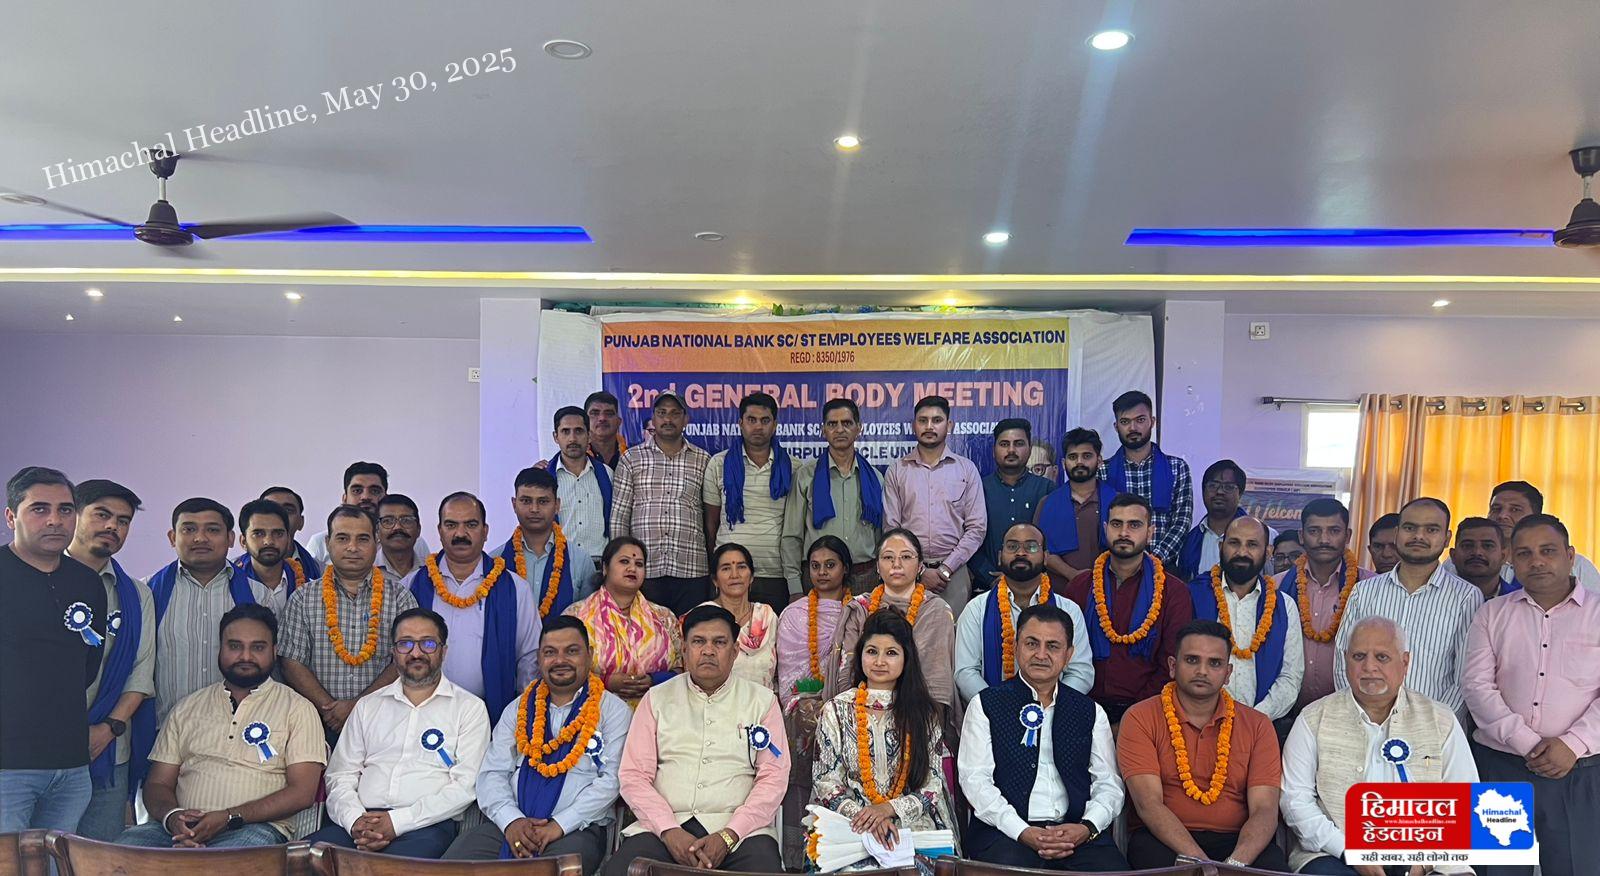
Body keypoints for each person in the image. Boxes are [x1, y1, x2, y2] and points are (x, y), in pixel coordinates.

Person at [116, 604, 324, 848]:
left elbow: (302, 793)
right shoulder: (188, 707)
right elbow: (158, 784)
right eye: (235, 646)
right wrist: (173, 818)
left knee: (227, 861)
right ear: (220, 648)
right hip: (179, 830)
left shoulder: (298, 709)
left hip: (252, 830)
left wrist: (229, 817)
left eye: (258, 647)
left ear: (274, 651)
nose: (245, 656)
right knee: (119, 852)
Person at [1282, 616, 1477, 875]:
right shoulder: (1314, 718)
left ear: (1405, 662)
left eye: (1382, 657)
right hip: (1334, 853)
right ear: (1345, 659)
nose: (1369, 667)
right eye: (1359, 656)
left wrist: (1421, 864)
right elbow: (1295, 800)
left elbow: (1466, 805)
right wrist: (1348, 850)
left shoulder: (1440, 720)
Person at [1465, 513, 1600, 876]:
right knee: (1499, 870)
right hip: (1502, 767)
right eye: (1524, 553)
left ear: (1570, 556)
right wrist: (1528, 743)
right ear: (1511, 560)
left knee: (1577, 868)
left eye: (1548, 551)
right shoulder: (1492, 613)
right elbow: (1477, 686)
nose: (1537, 561)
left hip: (1580, 771)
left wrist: (1572, 744)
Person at [609, 605, 788, 876]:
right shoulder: (656, 699)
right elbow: (634, 776)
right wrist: (669, 830)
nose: (708, 651)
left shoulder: (762, 701)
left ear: (735, 651)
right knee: (620, 870)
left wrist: (729, 834)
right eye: (698, 642)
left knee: (764, 869)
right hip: (664, 829)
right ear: (684, 649)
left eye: (719, 642)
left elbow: (773, 778)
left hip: (741, 833)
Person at [444, 615, 632, 871]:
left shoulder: (614, 711)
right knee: (452, 866)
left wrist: (559, 825)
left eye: (572, 651)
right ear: (539, 658)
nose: (560, 660)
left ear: (589, 655)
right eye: (550, 652)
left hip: (575, 829)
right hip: (508, 827)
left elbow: (611, 781)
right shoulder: (518, 708)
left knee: (554, 870)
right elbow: (492, 773)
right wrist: (511, 821)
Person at [306, 608, 490, 858]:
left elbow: (465, 786)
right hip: (358, 824)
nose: (416, 653)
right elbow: (340, 774)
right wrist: (355, 820)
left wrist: (397, 822)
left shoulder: (469, 708)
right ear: (393, 653)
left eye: (428, 643)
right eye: (405, 644)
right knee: (301, 859)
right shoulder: (368, 706)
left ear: (444, 651)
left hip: (425, 827)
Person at [958, 603, 1127, 871]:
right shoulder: (985, 705)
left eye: (1053, 646)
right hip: (1005, 833)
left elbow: (1108, 783)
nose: (1041, 654)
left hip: (1078, 836)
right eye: (1032, 643)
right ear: (1016, 647)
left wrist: (1087, 827)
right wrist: (1022, 831)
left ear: (1068, 655)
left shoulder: (1090, 711)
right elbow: (975, 781)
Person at [1116, 620, 1288, 870]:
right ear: (1173, 666)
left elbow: (1264, 809)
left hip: (1239, 842)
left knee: (1272, 868)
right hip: (1164, 839)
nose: (1202, 671)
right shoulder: (1140, 717)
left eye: (1215, 663)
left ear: (1228, 673)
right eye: (1192, 660)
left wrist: (1235, 865)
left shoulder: (1258, 725)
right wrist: (1202, 864)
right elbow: (1149, 804)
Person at [0, 467, 105, 833]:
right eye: (39, 509)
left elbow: (87, 666)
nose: (55, 520)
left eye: (65, 510)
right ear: (11, 516)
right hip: (7, 766)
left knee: (58, 860)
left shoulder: (87, 581)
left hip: (70, 765)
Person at [814, 610, 960, 862]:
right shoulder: (836, 710)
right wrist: (869, 818)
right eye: (872, 651)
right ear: (860, 655)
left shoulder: (924, 714)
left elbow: (933, 783)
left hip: (912, 824)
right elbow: (825, 781)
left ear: (906, 658)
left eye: (891, 653)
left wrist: (888, 809)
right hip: (852, 824)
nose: (880, 661)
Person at [279, 505, 418, 744]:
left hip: (383, 725)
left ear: (376, 542)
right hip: (316, 725)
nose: (352, 547)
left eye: (362, 539)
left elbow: (407, 659)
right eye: (342, 538)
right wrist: (330, 710)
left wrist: (357, 707)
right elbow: (291, 662)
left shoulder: (400, 597)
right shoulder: (303, 597)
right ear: (328, 543)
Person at [66, 479, 157, 840]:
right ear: (73, 515)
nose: (112, 526)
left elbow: (140, 674)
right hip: (36, 750)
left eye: (123, 521)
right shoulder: (40, 579)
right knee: (29, 853)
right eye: (101, 514)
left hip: (107, 749)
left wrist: (107, 730)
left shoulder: (136, 594)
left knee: (99, 854)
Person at [1335, 498, 1482, 721]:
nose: (1418, 536)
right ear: (1397, 534)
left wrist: (1435, 725)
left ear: (1446, 538)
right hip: (1365, 724)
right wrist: (1363, 717)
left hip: (1436, 729)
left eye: (1431, 529)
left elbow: (1465, 677)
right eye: (1410, 528)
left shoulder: (1466, 597)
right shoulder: (1364, 592)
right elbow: (1343, 659)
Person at [1062, 493, 1195, 723]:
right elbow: (1065, 653)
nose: (1124, 533)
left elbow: (1171, 663)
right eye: (1117, 524)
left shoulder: (1174, 592)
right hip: (1082, 709)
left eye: (1134, 525)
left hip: (1149, 713)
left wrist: (1134, 718)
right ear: (1106, 529)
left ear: (1150, 532)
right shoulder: (1080, 587)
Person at [410, 491, 542, 724]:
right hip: (422, 713)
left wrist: (521, 718)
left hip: (493, 716)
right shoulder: (412, 585)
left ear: (485, 531)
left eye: (470, 525)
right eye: (451, 525)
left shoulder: (515, 588)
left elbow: (529, 659)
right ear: (439, 531)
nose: (460, 534)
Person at [146, 498, 268, 720]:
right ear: (172, 537)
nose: (200, 538)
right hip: (163, 729)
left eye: (212, 530)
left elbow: (269, 667)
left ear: (230, 538)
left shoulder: (259, 596)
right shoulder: (147, 593)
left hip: (238, 728)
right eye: (189, 529)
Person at [774, 536, 856, 867]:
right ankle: (798, 855)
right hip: (803, 709)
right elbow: (788, 673)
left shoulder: (859, 611)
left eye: (830, 565)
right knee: (802, 720)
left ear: (845, 568)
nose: (822, 572)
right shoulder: (793, 614)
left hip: (846, 705)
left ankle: (843, 847)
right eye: (815, 566)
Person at [826, 529, 959, 719]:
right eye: (888, 557)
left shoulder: (936, 611)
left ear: (920, 566)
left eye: (906, 557)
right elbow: (847, 673)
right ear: (877, 567)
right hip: (860, 713)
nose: (896, 564)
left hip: (917, 714)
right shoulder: (860, 608)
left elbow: (937, 684)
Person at [956, 523, 1093, 702]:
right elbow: (966, 671)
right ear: (1000, 556)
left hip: (1056, 710)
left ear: (1045, 557)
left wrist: (1052, 706)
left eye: (1031, 547)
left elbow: (1081, 672)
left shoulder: (1069, 610)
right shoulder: (976, 609)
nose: (1021, 553)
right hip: (991, 712)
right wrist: (995, 707)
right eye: (1012, 546)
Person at [1187, 516, 1304, 721]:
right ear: (1221, 547)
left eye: (1252, 545)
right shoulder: (1192, 595)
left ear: (1268, 552)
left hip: (1261, 723)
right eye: (1234, 543)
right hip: (1198, 721)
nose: (1242, 552)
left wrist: (1253, 719)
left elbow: (1290, 676)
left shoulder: (1284, 607)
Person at [611, 390, 713, 616]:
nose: (668, 419)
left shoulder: (703, 460)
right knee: (645, 634)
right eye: (662, 413)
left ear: (686, 420)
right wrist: (619, 565)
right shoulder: (632, 459)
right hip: (644, 569)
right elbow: (619, 516)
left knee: (691, 632)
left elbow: (711, 517)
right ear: (653, 419)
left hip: (691, 568)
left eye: (675, 413)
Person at [883, 395, 986, 616]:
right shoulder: (897, 470)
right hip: (906, 571)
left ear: (949, 425)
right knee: (905, 633)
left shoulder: (966, 470)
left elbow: (977, 528)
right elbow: (891, 529)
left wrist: (946, 569)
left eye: (937, 420)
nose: (929, 426)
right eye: (923, 420)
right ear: (914, 425)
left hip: (954, 574)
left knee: (952, 633)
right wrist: (919, 571)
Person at [1275, 498, 1374, 712]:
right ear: (1302, 536)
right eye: (1314, 531)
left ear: (1347, 536)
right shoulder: (1277, 586)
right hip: (1284, 710)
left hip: (1350, 710)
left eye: (1334, 531)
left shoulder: (1369, 587)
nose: (1324, 540)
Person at [564, 536, 683, 707]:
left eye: (639, 564)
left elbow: (682, 670)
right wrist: (605, 681)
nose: (632, 568)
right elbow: (564, 667)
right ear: (605, 568)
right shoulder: (577, 615)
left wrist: (653, 680)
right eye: (624, 561)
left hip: (657, 710)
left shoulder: (664, 617)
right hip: (594, 711)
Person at [704, 392, 796, 613]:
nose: (758, 427)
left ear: (775, 425)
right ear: (740, 423)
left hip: (775, 572)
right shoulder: (719, 464)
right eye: (751, 420)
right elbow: (710, 524)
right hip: (730, 574)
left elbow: (795, 526)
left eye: (765, 420)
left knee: (770, 634)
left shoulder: (793, 468)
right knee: (725, 632)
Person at [781, 398, 884, 594]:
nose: (839, 430)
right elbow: (792, 537)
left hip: (865, 577)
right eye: (832, 424)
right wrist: (794, 587)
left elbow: (881, 536)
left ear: (858, 428)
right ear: (823, 430)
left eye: (847, 423)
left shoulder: (875, 479)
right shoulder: (806, 476)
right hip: (819, 577)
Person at [1443, 480, 1600, 593]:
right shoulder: (1463, 560)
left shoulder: (1575, 565)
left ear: (1535, 516)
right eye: (1496, 509)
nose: (1502, 516)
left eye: (1515, 510)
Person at [1099, 391, 1193, 568]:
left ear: (1153, 422)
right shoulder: (1103, 471)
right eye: (1125, 422)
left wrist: (1153, 561)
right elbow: (1103, 523)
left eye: (1140, 420)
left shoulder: (1176, 468)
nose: (1133, 428)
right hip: (1117, 566)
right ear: (1116, 427)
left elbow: (1182, 522)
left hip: (1164, 567)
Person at [970, 419, 1057, 594]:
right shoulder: (977, 488)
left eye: (1018, 444)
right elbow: (969, 539)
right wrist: (990, 576)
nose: (1011, 450)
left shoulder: (1047, 489)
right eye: (1004, 444)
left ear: (1029, 449)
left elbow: (1053, 541)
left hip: (1036, 586)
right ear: (994, 450)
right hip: (986, 587)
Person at [499, 467, 597, 620]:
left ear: (557, 505)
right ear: (514, 504)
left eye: (543, 501)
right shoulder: (496, 561)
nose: (534, 509)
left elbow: (588, 619)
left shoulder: (581, 561)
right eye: (526, 501)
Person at [307, 461, 431, 565]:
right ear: (344, 498)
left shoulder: (413, 542)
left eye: (375, 491)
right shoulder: (320, 543)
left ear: (385, 497)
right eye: (357, 490)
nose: (366, 497)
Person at [1036, 427, 1116, 584]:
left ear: (1099, 461)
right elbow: (1040, 550)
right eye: (1073, 457)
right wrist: (1073, 575)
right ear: (1063, 463)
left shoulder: (1117, 503)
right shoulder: (1046, 503)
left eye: (1087, 456)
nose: (1079, 462)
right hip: (1059, 592)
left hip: (1109, 588)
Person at [702, 542, 779, 690]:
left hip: (763, 701)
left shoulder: (767, 616)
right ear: (715, 580)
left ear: (751, 576)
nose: (735, 575)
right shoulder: (703, 617)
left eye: (741, 567)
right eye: (726, 568)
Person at [548, 405, 613, 561]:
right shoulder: (545, 477)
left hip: (599, 565)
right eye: (565, 431)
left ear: (589, 436)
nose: (572, 439)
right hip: (560, 564)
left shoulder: (607, 474)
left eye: (579, 431)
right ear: (555, 437)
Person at [1174, 460, 1251, 582]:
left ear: (1240, 494)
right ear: (1203, 491)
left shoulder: (1258, 536)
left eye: (1228, 487)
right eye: (1213, 485)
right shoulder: (1188, 541)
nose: (1219, 492)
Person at [232, 498, 302, 616]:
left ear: (288, 539)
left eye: (278, 533)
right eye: (258, 534)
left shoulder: (307, 584)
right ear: (243, 542)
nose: (269, 541)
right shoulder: (228, 584)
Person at [259, 486, 322, 581]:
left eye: (288, 510)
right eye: (271, 510)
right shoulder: (237, 570)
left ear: (301, 522)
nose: (279, 516)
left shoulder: (320, 570)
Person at [1448, 516, 1515, 600]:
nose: (1477, 552)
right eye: (1467, 545)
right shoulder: (1436, 597)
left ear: (1503, 556)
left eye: (1488, 546)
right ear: (1453, 555)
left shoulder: (1521, 602)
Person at [374, 494, 424, 587]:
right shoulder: (364, 571)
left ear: (418, 529)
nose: (397, 527)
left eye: (406, 520)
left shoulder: (432, 570)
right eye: (388, 521)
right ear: (377, 530)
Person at [585, 390, 628, 469]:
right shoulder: (575, 457)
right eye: (595, 413)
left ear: (619, 421)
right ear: (584, 421)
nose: (602, 418)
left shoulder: (634, 457)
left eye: (609, 413)